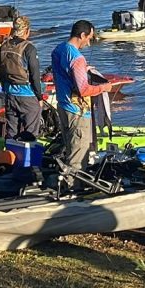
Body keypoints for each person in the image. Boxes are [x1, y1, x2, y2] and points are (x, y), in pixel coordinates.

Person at [50, 20, 115, 183]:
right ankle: (72, 189)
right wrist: (104, 88)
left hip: (63, 106)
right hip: (77, 111)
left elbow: (64, 73)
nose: (89, 42)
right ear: (82, 35)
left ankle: (67, 183)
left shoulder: (59, 49)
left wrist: (82, 72)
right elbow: (84, 90)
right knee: (79, 155)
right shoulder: (78, 58)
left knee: (71, 149)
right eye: (89, 38)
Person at [0, 15, 45, 141]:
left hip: (10, 94)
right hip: (27, 96)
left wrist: (5, 89)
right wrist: (39, 97)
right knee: (30, 132)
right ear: (27, 31)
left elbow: (1, 72)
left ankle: (10, 156)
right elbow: (35, 76)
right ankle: (27, 158)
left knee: (11, 130)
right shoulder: (29, 48)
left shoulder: (3, 46)